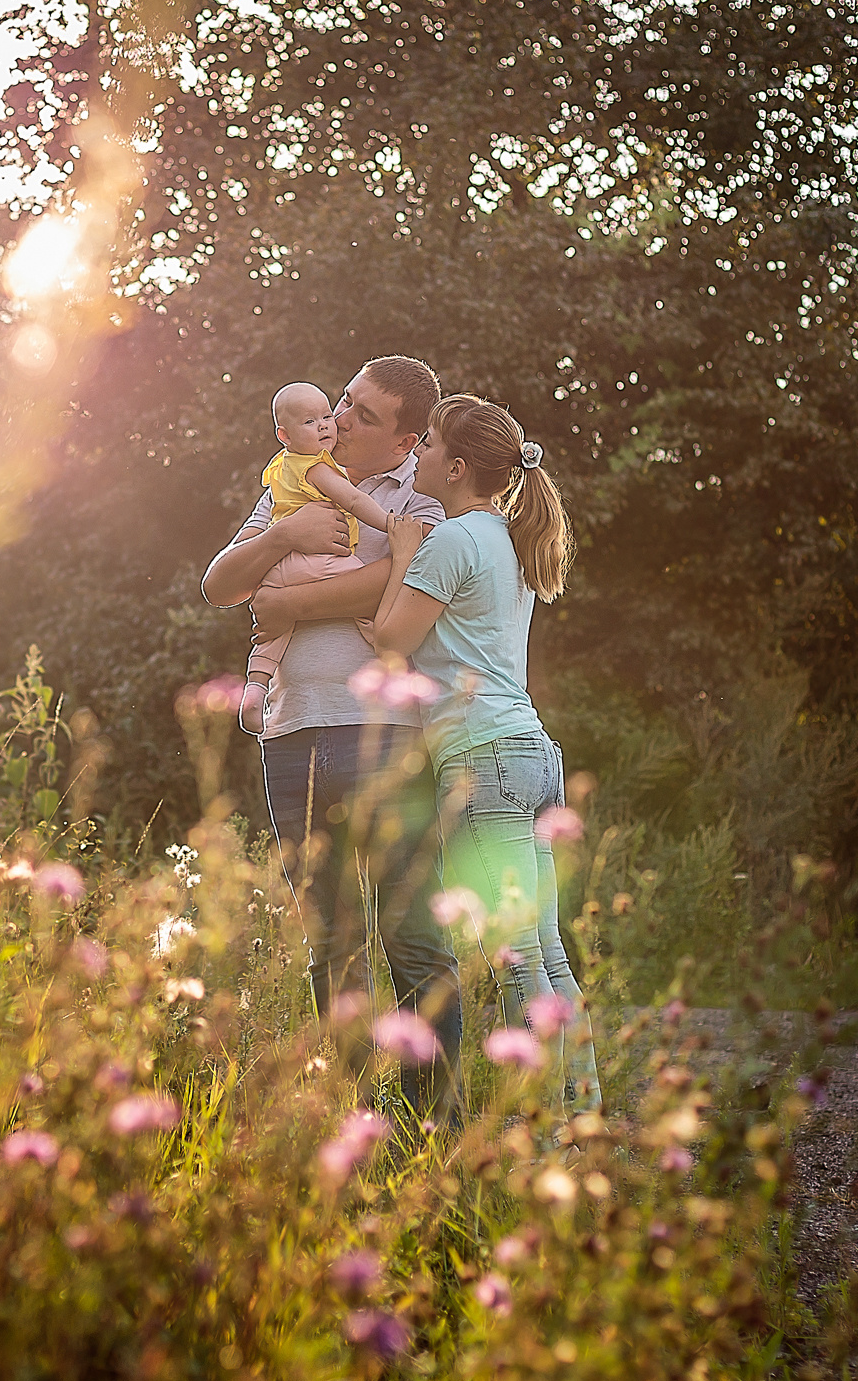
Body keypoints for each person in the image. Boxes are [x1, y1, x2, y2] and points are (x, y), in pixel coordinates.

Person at [201, 356, 462, 1126]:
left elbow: (392, 584)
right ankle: (348, 1125)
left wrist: (282, 604)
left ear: (407, 437)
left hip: (386, 735)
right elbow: (219, 585)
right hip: (290, 734)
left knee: (413, 940)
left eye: (364, 415)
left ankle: (432, 1132)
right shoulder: (294, 479)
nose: (341, 419)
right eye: (343, 401)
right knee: (331, 943)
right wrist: (287, 531)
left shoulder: (425, 499)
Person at [363, 393, 602, 1114]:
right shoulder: (507, 536)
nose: (419, 455)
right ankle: (583, 1117)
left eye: (429, 444)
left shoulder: (452, 540)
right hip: (532, 752)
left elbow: (391, 641)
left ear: (458, 466)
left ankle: (557, 1132)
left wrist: (404, 552)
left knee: (517, 955)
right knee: (547, 950)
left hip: (483, 760)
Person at [239, 382, 395, 733]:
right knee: (367, 592)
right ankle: (382, 647)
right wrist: (391, 525)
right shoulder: (317, 467)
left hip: (281, 570)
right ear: (285, 435)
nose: (326, 425)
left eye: (326, 416)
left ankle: (255, 687)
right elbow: (354, 502)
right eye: (310, 422)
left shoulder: (282, 466)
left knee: (273, 634)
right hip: (319, 560)